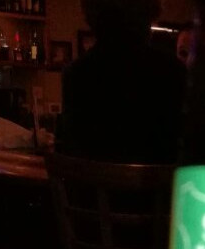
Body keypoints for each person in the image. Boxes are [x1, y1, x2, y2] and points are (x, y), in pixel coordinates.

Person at [59, 0, 186, 163]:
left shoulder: (75, 75)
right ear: (148, 15)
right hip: (159, 180)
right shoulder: (173, 71)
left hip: (94, 180)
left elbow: (70, 149)